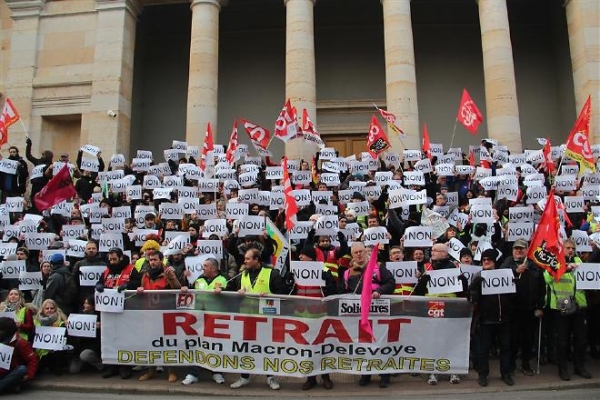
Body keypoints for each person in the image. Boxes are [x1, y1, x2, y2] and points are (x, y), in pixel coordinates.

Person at [226, 248, 288, 390]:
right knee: (245, 350)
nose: (245, 261)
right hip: (246, 320)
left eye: (248, 259)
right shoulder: (242, 275)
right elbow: (228, 289)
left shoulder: (272, 274)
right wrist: (234, 292)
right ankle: (244, 377)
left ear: (256, 260)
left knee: (267, 350)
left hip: (266, 321)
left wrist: (269, 295)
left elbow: (284, 293)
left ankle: (270, 377)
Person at [341, 242, 395, 388]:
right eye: (355, 252)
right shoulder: (348, 273)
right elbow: (344, 292)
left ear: (366, 252)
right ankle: (366, 374)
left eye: (361, 251)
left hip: (379, 314)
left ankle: (385, 376)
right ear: (352, 255)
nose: (358, 254)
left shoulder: (378, 268)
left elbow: (391, 282)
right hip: (359, 315)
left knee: (381, 344)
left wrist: (380, 291)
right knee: (363, 345)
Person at [413, 243, 466, 385]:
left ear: (444, 253)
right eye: (433, 250)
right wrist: (422, 281)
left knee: (451, 340)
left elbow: (463, 290)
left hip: (450, 308)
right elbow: (419, 292)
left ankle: (453, 370)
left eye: (436, 250)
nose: (432, 252)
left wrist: (462, 280)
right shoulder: (427, 267)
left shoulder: (455, 268)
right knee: (433, 339)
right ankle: (433, 372)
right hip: (432, 307)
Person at [469, 249, 515, 387]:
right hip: (485, 320)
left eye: (489, 259)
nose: (486, 261)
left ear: (495, 261)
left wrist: (514, 284)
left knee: (506, 347)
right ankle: (483, 374)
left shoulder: (504, 275)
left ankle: (505, 373)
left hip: (504, 319)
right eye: (484, 260)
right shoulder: (478, 275)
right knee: (484, 349)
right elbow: (472, 300)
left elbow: (513, 298)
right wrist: (474, 286)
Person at [500, 238, 545, 376]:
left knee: (528, 338)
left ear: (527, 250)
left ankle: (526, 363)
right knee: (513, 339)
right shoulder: (508, 262)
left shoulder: (534, 264)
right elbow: (500, 275)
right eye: (516, 248)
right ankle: (511, 364)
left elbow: (542, 287)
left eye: (521, 248)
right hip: (513, 309)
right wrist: (515, 270)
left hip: (530, 309)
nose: (518, 251)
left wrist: (540, 306)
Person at [294, 246, 337, 390]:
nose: (300, 257)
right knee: (306, 347)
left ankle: (325, 376)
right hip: (302, 315)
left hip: (319, 314)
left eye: (303, 255)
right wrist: (288, 280)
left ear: (310, 257)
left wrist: (327, 280)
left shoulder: (324, 269)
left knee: (322, 347)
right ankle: (310, 378)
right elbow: (288, 290)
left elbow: (333, 290)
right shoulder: (296, 270)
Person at [180, 258, 227, 386]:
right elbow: (189, 289)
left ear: (213, 268)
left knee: (215, 346)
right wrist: (185, 284)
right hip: (198, 319)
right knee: (197, 345)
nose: (203, 268)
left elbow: (227, 288)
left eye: (205, 266)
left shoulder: (222, 280)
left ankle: (217, 372)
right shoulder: (199, 280)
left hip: (215, 319)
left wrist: (221, 290)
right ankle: (193, 374)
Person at [136, 250, 181, 382]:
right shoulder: (145, 275)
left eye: (155, 259)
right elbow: (141, 288)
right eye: (150, 260)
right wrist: (140, 289)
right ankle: (151, 370)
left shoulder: (168, 272)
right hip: (150, 314)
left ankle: (171, 371)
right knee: (150, 342)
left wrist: (172, 278)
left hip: (166, 313)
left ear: (161, 260)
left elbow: (177, 288)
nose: (153, 262)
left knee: (168, 343)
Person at [96, 247, 141, 379]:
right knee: (110, 339)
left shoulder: (131, 269)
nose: (112, 261)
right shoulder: (106, 271)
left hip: (125, 310)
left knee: (124, 339)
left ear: (121, 257)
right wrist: (98, 285)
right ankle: (111, 366)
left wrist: (128, 285)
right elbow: (100, 282)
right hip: (109, 310)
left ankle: (125, 367)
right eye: (110, 259)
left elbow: (138, 282)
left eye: (114, 259)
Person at [544, 260, 591, 381]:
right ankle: (562, 369)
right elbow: (547, 277)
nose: (571, 250)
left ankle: (579, 366)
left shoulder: (579, 261)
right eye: (568, 248)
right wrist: (565, 268)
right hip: (562, 306)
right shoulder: (554, 262)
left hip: (579, 305)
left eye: (573, 248)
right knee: (562, 341)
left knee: (581, 340)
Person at [65, 240, 106, 313]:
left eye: (93, 248)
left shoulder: (103, 264)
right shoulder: (79, 264)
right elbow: (73, 281)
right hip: (82, 299)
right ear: (85, 250)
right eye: (89, 248)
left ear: (97, 250)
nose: (91, 250)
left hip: (98, 298)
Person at [0, 317, 37, 394]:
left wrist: (29, 375)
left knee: (22, 369)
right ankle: (9, 387)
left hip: (10, 372)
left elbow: (32, 359)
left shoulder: (20, 342)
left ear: (5, 330)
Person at [69, 296, 103, 374]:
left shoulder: (99, 316)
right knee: (74, 370)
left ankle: (100, 365)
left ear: (93, 305)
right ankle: (86, 364)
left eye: (87, 303)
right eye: (84, 303)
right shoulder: (79, 315)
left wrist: (100, 326)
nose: (85, 305)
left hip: (93, 346)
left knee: (85, 355)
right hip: (80, 347)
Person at [33, 299, 68, 375]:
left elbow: (64, 340)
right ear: (43, 309)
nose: (49, 310)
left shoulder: (61, 322)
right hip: (41, 352)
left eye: (52, 308)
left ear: (55, 309)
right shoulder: (36, 321)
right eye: (47, 308)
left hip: (55, 352)